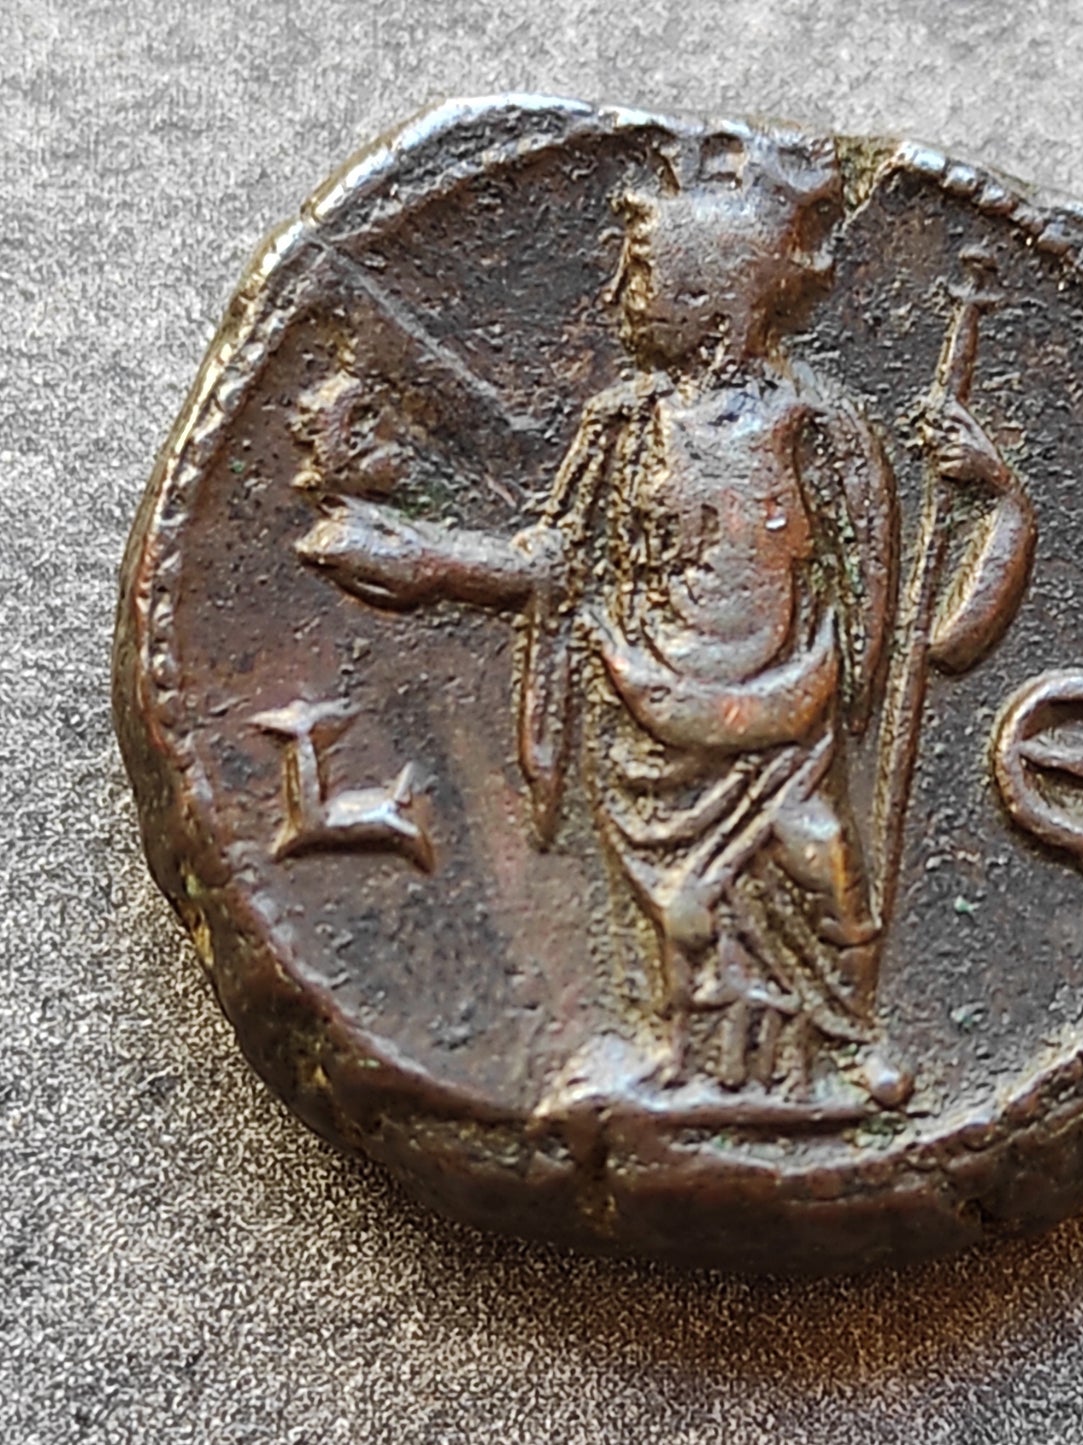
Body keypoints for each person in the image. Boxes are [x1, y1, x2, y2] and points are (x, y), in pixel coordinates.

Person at [295, 125, 1033, 1106]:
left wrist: (996, 500)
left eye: (639, 274)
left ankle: (846, 1036)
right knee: (681, 905)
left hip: (786, 709)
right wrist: (423, 558)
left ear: (711, 295)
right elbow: (553, 562)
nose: (615, 296)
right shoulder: (621, 426)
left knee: (819, 860)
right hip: (648, 708)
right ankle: (681, 1056)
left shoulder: (820, 428)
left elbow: (889, 606)